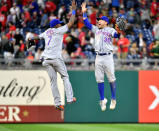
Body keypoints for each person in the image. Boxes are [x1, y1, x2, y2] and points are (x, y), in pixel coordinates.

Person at [28, 0, 77, 111]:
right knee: (65, 77)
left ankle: (57, 103)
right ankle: (69, 98)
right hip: (55, 59)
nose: (60, 23)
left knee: (53, 82)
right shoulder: (58, 30)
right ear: (56, 25)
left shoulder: (47, 32)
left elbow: (37, 37)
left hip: (46, 60)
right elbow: (71, 23)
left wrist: (30, 39)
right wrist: (73, 10)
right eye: (59, 23)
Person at [81, 2, 122, 111]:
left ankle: (113, 99)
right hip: (98, 57)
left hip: (108, 57)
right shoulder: (96, 30)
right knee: (99, 80)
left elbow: (117, 35)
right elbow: (86, 23)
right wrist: (84, 12)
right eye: (98, 20)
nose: (98, 21)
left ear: (106, 22)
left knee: (111, 78)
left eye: (101, 20)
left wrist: (119, 30)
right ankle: (102, 99)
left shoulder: (110, 30)